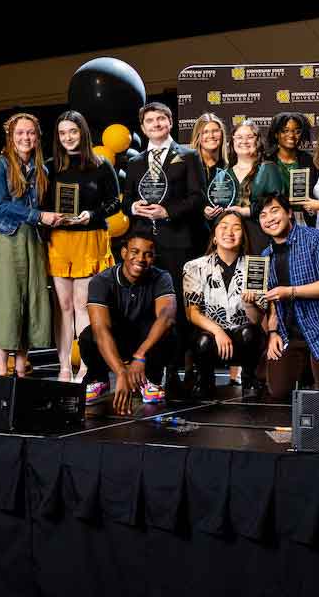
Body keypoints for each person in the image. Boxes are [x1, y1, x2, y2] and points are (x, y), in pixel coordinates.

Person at [122, 102, 203, 393]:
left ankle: (176, 369)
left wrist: (166, 212)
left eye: (161, 119)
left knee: (176, 308)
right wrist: (132, 206)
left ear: (170, 123)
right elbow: (126, 199)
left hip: (178, 243)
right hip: (144, 245)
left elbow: (197, 198)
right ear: (142, 128)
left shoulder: (189, 156)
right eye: (150, 121)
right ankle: (149, 368)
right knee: (146, 307)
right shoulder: (134, 163)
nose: (155, 124)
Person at [0, 113, 61, 376]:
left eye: (31, 133)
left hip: (33, 239)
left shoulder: (42, 170)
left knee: (29, 299)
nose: (26, 137)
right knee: (8, 300)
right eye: (20, 133)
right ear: (11, 137)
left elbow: (43, 206)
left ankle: (21, 368)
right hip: (5, 237)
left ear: (37, 137)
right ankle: (2, 369)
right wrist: (38, 216)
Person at [257, 193, 319, 400]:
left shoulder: (317, 239)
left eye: (275, 211)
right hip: (289, 335)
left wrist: (291, 291)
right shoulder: (266, 255)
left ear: (289, 213)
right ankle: (309, 371)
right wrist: (273, 332)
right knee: (279, 391)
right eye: (263, 215)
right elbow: (273, 302)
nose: (269, 218)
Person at [45, 110, 119, 382]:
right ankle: (64, 365)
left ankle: (87, 365)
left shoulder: (101, 164)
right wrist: (51, 216)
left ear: (83, 133)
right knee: (62, 304)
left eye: (73, 132)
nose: (68, 137)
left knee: (82, 304)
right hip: (60, 240)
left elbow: (115, 202)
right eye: (62, 133)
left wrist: (92, 214)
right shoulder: (50, 166)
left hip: (90, 238)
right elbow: (40, 203)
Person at [79, 230, 177, 414]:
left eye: (148, 254)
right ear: (124, 252)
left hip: (145, 341)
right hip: (117, 339)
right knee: (88, 335)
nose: (141, 258)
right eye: (135, 251)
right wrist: (120, 373)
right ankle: (99, 379)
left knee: (169, 331)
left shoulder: (162, 277)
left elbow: (166, 317)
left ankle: (151, 379)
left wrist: (140, 355)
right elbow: (101, 330)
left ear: (154, 257)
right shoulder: (101, 281)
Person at [182, 212, 266, 399]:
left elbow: (257, 320)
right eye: (224, 226)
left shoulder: (255, 267)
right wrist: (218, 331)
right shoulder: (194, 266)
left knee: (251, 333)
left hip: (242, 335)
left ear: (243, 235)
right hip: (210, 337)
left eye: (236, 227)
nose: (230, 231)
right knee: (202, 340)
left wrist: (250, 303)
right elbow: (192, 314)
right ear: (214, 236)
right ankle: (205, 378)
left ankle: (249, 378)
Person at [251, 112, 318, 225]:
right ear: (276, 134)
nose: (291, 135)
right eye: (285, 131)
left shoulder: (311, 162)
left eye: (297, 131)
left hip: (305, 221)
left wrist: (313, 209)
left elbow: (317, 196)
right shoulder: (265, 162)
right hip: (275, 221)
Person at [224, 119, 268, 256]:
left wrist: (247, 211)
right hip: (229, 239)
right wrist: (209, 211)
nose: (244, 141)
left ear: (258, 140)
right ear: (233, 141)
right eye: (239, 137)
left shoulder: (268, 169)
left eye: (250, 137)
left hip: (259, 236)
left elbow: (277, 204)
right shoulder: (224, 174)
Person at [190, 113, 231, 256]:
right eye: (205, 132)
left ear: (222, 134)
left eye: (215, 131)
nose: (211, 136)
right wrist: (201, 210)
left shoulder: (230, 165)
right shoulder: (188, 165)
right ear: (198, 137)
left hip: (227, 233)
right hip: (195, 234)